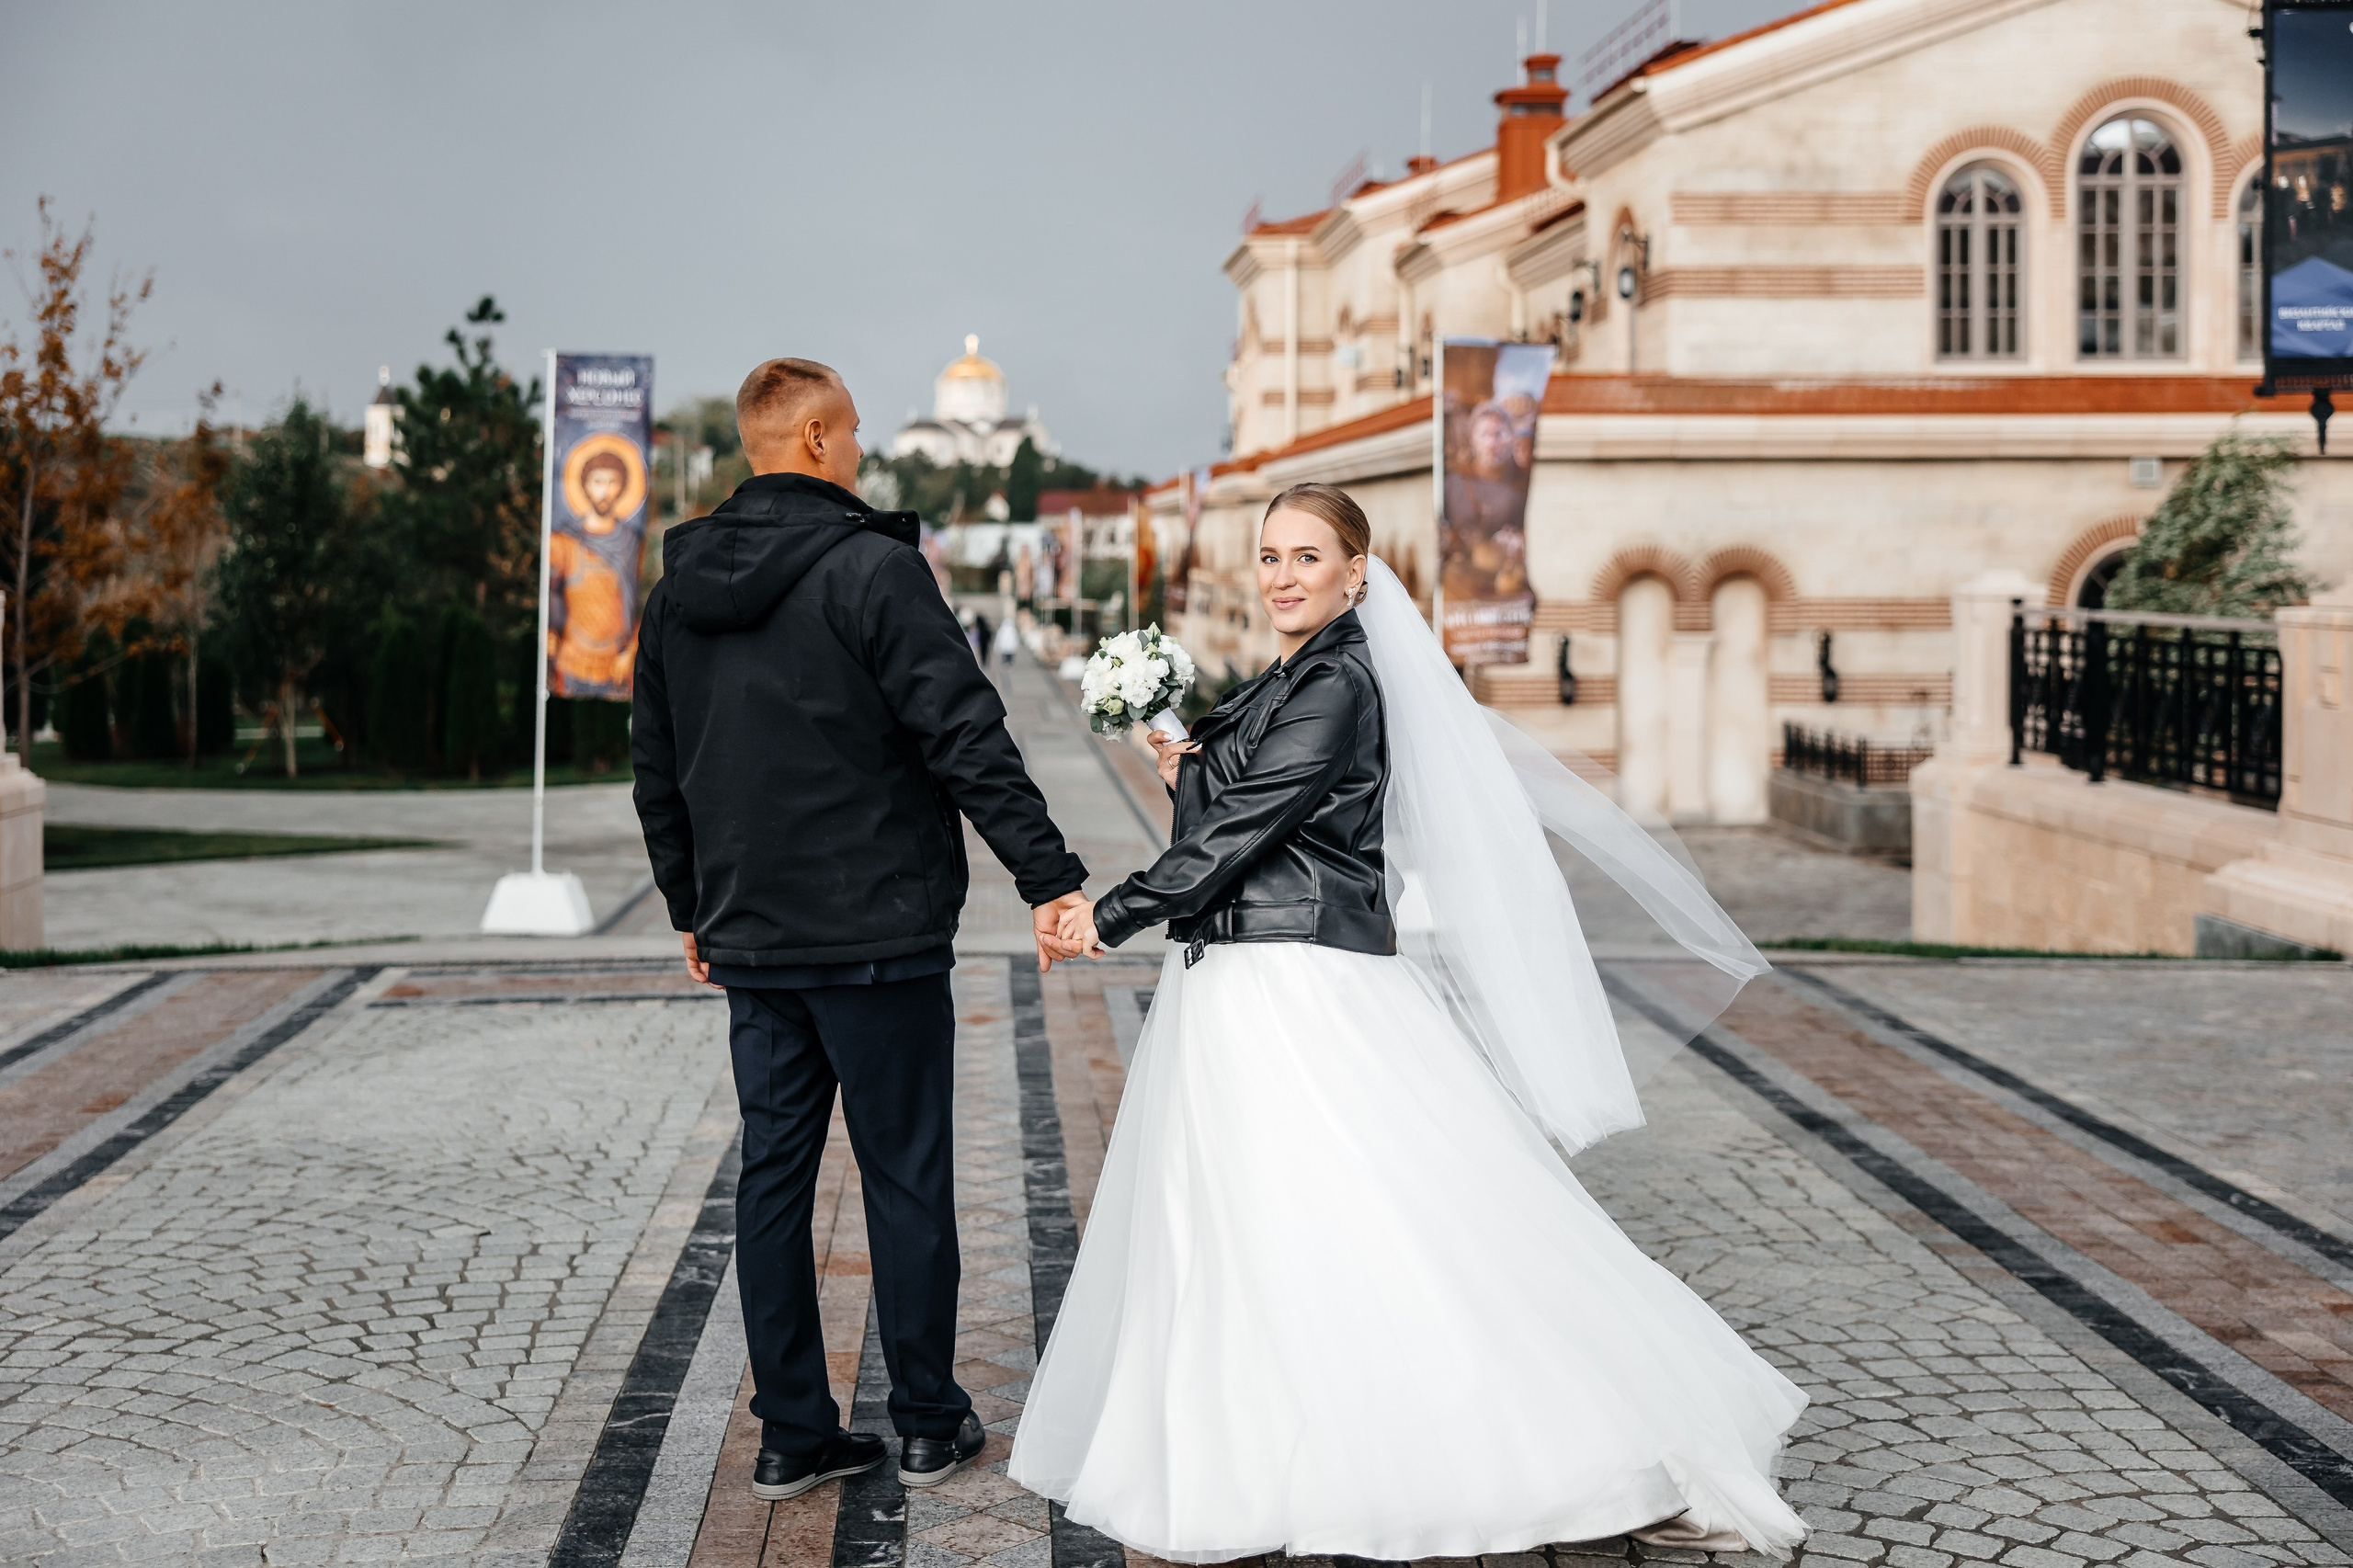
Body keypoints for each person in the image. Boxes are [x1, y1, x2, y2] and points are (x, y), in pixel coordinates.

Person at [1009, 482, 1809, 1560]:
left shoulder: (1339, 680)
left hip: (1301, 981)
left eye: (1307, 556)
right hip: (1240, 977)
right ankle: (1251, 1449)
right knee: (1244, 1222)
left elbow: (1252, 829)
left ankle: (1544, 1444)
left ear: (1355, 573)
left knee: (1375, 1215)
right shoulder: (1287, 675)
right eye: (1270, 554)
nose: (1282, 574)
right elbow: (1242, 817)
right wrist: (1183, 765)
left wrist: (1106, 915)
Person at [631, 357, 1090, 1504]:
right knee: (903, 1173)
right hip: (876, 933)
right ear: (822, 439)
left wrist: (690, 902)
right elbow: (964, 732)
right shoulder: (876, 570)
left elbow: (656, 765)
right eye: (856, 433)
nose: (864, 450)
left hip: (751, 938)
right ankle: (929, 1419)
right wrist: (1049, 876)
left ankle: (794, 1431)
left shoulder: (675, 587)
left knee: (774, 1177)